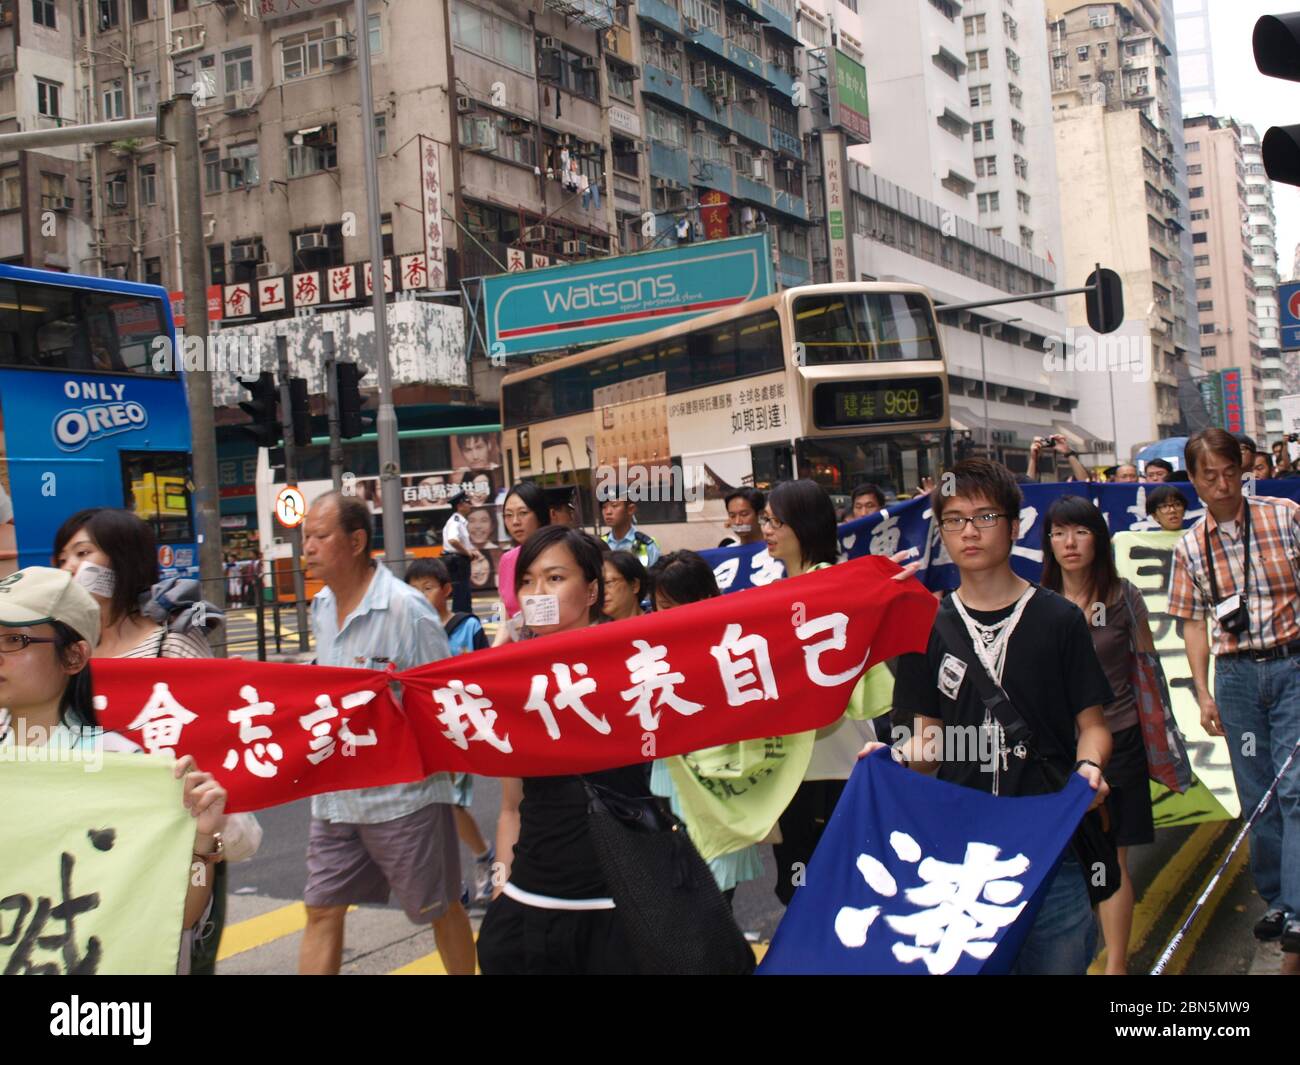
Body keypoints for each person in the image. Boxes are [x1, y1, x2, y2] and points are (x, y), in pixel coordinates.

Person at [860, 458, 1113, 975]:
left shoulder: (1058, 618)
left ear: (1015, 526)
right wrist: (891, 759)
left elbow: (1092, 725)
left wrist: (1088, 769)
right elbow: (927, 744)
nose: (969, 531)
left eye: (985, 517)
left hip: (1048, 842)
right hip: (958, 852)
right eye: (953, 519)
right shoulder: (926, 625)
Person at [53, 507, 255, 973]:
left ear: (122, 562)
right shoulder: (60, 658)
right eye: (62, 557)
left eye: (83, 554)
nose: (68, 568)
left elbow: (220, 747)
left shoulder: (175, 647)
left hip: (181, 848)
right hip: (91, 851)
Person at [0, 566, 227, 975]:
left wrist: (202, 841)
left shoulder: (123, 767)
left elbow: (182, 914)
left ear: (74, 656)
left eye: (14, 639)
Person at [298, 491, 475, 976]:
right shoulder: (321, 606)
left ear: (356, 541)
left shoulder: (407, 610)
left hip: (404, 799)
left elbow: (443, 697)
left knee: (439, 909)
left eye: (319, 536)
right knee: (320, 908)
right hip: (336, 798)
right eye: (305, 537)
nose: (307, 547)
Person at [478, 526, 646, 975]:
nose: (537, 593)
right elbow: (511, 807)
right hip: (532, 904)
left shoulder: (639, 664)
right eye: (528, 580)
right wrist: (501, 888)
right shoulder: (513, 680)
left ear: (591, 590)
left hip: (622, 910)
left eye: (554, 578)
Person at [1168, 428, 1300, 963]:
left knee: (1295, 788)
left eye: (1230, 473)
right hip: (1237, 678)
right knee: (1259, 795)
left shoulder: (1285, 516)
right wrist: (1202, 693)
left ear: (1242, 471)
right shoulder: (1189, 545)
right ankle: (1275, 898)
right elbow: (1192, 626)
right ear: (1194, 480)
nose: (1222, 485)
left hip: (1293, 664)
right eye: (1209, 476)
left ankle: (1297, 907)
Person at [761, 479, 901, 906]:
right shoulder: (775, 592)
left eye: (774, 520)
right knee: (798, 889)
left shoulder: (835, 587)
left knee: (843, 889)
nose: (766, 529)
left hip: (839, 765)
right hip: (793, 769)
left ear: (802, 525)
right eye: (765, 519)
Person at [1042, 495, 1156, 975]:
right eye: (1058, 533)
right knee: (1062, 860)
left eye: (1081, 532)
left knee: (1113, 857)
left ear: (1098, 539)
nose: (1069, 543)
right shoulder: (1037, 601)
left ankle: (1116, 966)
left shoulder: (1123, 596)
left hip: (1120, 738)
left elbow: (1146, 668)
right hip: (1056, 749)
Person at [645, 549, 763, 904]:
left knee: (715, 893)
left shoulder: (735, 647)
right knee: (682, 892)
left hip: (721, 787)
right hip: (671, 785)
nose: (663, 614)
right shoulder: (649, 650)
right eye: (658, 605)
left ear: (705, 598)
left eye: (671, 605)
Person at [404, 556, 495, 907]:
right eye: (413, 590)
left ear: (445, 590)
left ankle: (485, 857)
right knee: (430, 807)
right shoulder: (405, 631)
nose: (421, 595)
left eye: (428, 588)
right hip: (421, 731)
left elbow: (486, 674)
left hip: (458, 729)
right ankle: (452, 877)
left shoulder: (467, 627)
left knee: (451, 805)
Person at [494, 482, 551, 647]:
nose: (515, 522)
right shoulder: (507, 560)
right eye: (508, 515)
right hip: (521, 651)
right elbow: (507, 620)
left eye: (523, 513)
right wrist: (492, 651)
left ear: (540, 514)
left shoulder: (559, 554)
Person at [440, 488, 481, 615]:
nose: (470, 505)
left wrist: (470, 551)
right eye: (467, 502)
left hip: (458, 559)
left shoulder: (460, 522)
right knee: (461, 593)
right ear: (459, 505)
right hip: (457, 561)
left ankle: (464, 616)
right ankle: (462, 618)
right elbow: (453, 540)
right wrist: (467, 553)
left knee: (463, 592)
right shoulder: (455, 522)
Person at [601, 491, 660, 567]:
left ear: (630, 509)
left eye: (614, 505)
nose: (608, 512)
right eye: (604, 507)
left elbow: (656, 577)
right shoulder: (600, 544)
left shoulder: (647, 545)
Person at [601, 549, 647, 622]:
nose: (602, 592)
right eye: (598, 585)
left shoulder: (657, 625)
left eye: (608, 582)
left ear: (634, 585)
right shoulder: (598, 631)